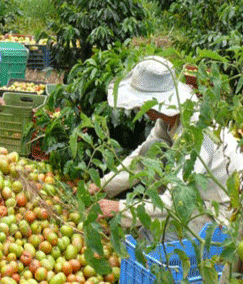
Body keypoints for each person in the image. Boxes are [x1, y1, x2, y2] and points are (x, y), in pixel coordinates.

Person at [91, 55, 243, 234]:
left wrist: (120, 208)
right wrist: (102, 185)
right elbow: (140, 160)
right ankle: (157, 216)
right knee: (150, 150)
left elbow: (174, 202)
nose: (138, 108)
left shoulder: (199, 133)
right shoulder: (169, 118)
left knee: (151, 236)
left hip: (223, 211)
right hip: (194, 195)